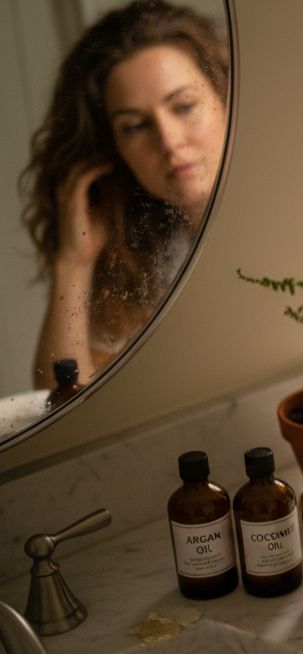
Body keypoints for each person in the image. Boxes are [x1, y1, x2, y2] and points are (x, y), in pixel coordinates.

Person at [21, 0, 229, 389]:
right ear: (113, 149)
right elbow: (60, 404)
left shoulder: (297, 208)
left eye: (184, 106)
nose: (168, 141)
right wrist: (73, 262)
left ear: (224, 99)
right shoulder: (142, 265)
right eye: (134, 126)